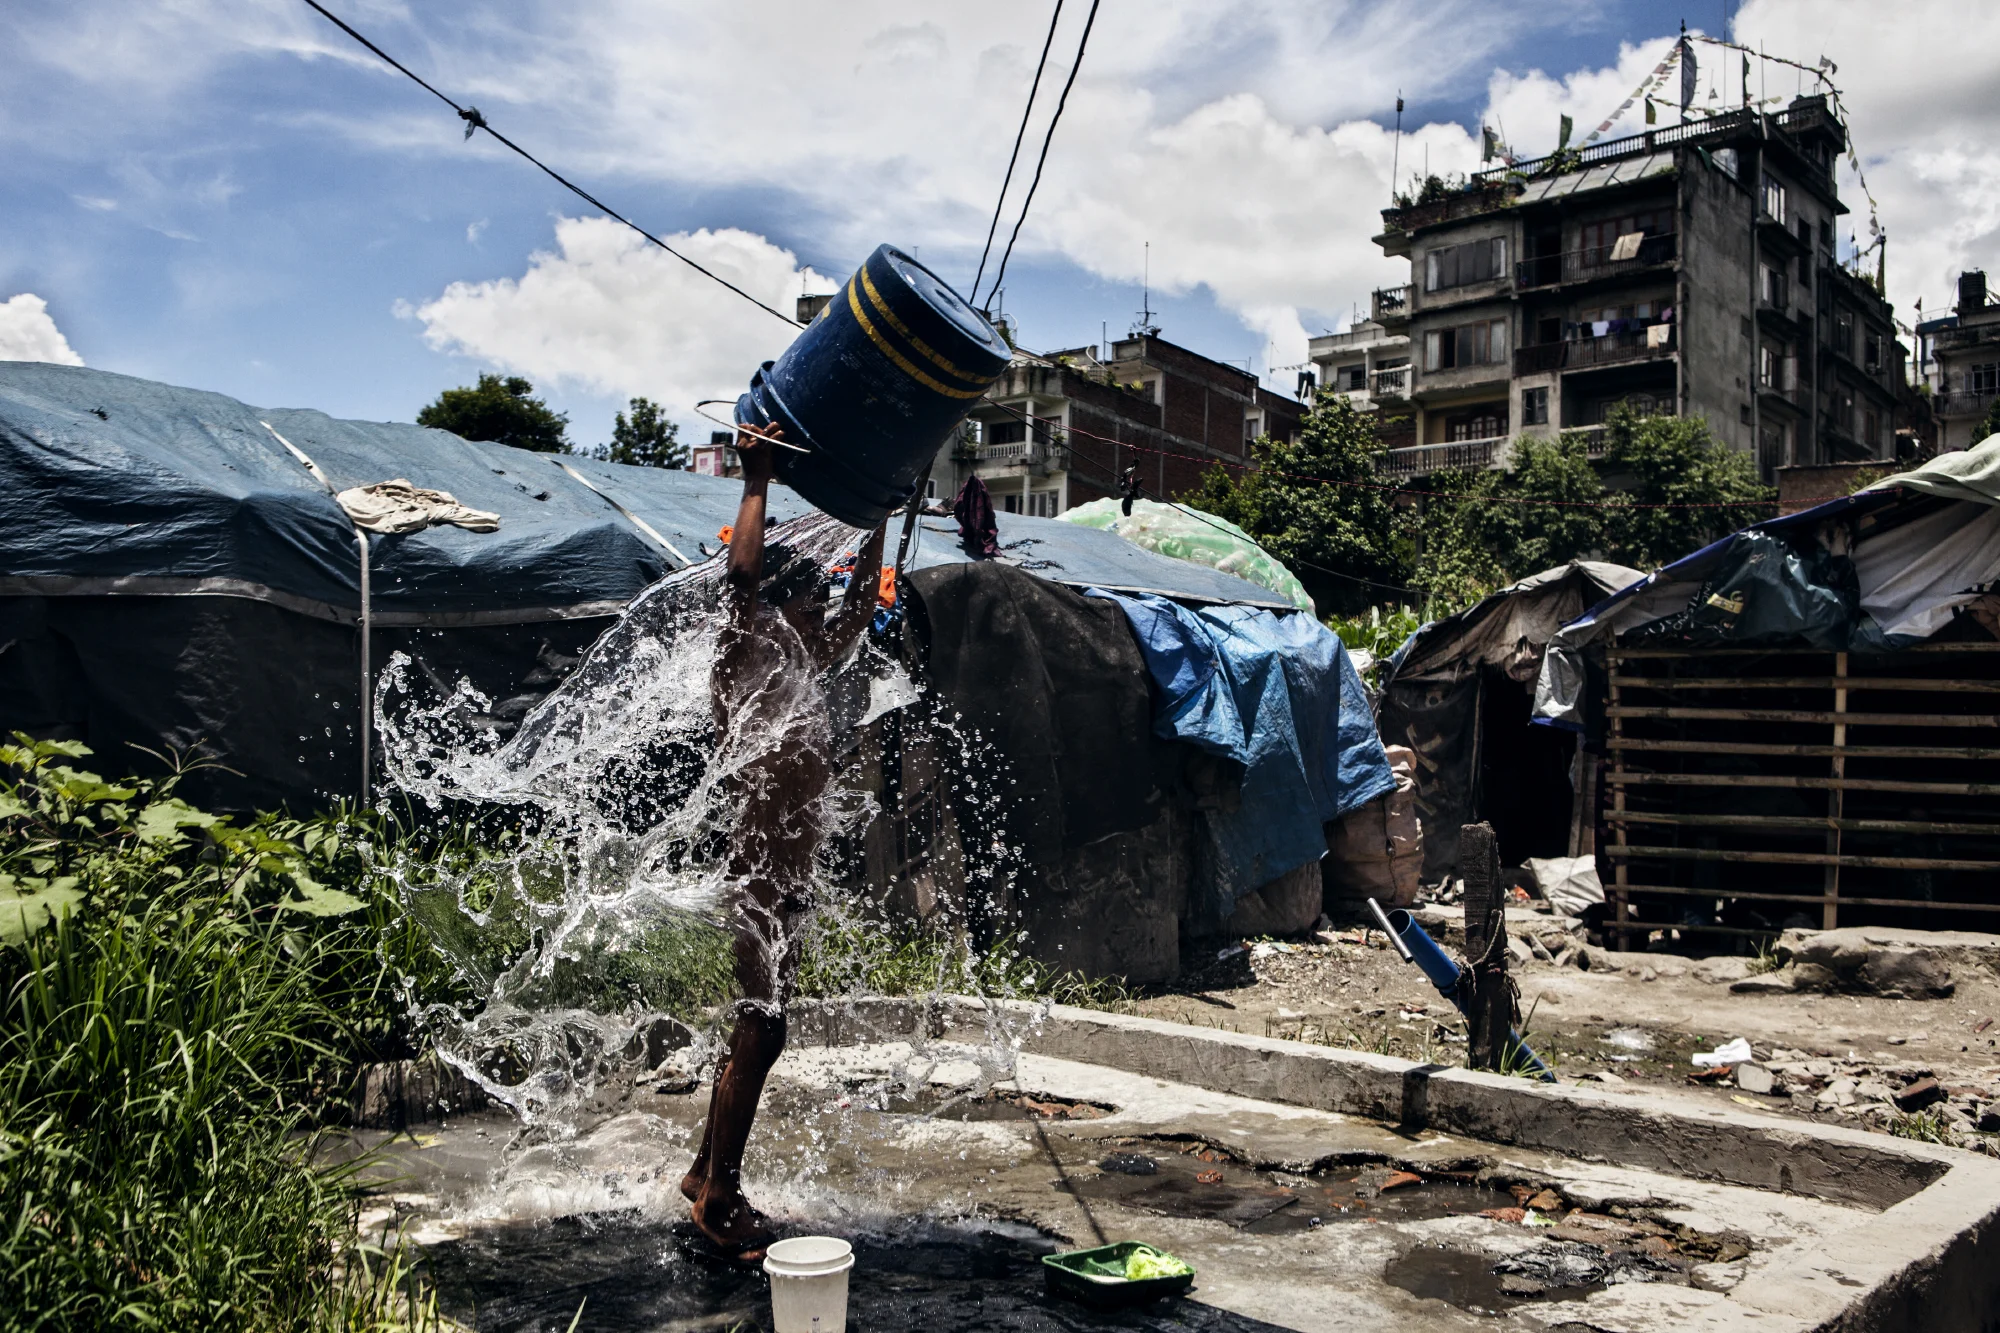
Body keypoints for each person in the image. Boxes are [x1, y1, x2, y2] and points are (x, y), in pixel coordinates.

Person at [680, 424, 887, 1260]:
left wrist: (884, 513)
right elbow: (740, 576)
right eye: (812, 603)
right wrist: (756, 477)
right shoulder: (745, 651)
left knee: (759, 1028)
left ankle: (705, 1170)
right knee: (762, 1029)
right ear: (780, 603)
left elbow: (862, 608)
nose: (823, 615)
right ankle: (719, 1196)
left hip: (786, 879)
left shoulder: (799, 659)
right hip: (759, 874)